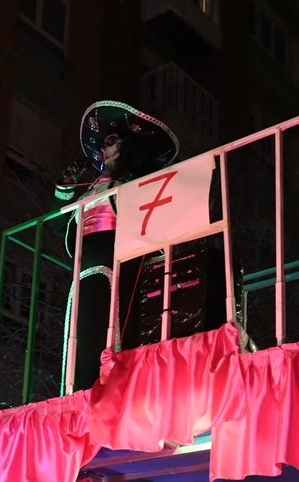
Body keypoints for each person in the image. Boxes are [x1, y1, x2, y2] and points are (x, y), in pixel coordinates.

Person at [54, 99, 180, 389]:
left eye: (110, 141)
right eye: (102, 144)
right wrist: (64, 189)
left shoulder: (138, 184)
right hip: (83, 274)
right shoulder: (90, 189)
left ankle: (109, 391)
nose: (103, 149)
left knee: (110, 330)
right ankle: (77, 393)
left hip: (120, 268)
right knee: (80, 335)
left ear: (128, 146)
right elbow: (59, 225)